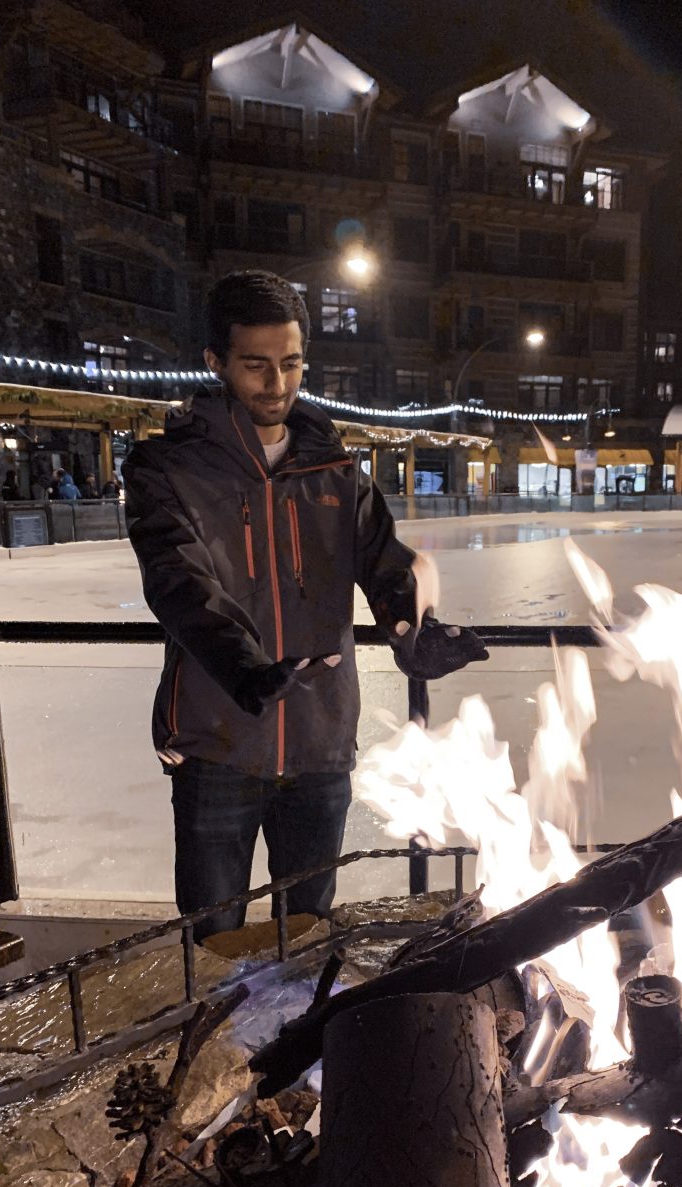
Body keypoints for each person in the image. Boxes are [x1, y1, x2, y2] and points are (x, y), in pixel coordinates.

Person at [123, 269, 488, 941]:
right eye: (256, 365)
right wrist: (247, 669)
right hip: (219, 742)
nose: (277, 383)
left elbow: (385, 563)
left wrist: (412, 628)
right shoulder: (166, 470)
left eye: (291, 363)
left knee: (307, 943)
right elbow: (179, 580)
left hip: (320, 745)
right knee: (212, 946)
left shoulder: (336, 471)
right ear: (216, 363)